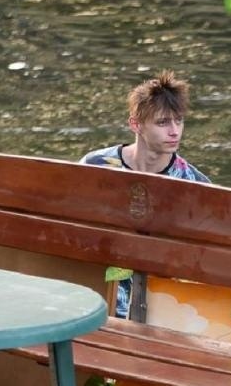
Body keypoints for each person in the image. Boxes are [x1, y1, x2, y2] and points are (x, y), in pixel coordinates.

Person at [81, 71, 210, 318]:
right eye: (163, 123)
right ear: (135, 125)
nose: (175, 131)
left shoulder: (196, 185)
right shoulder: (94, 166)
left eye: (179, 121)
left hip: (163, 305)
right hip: (96, 296)